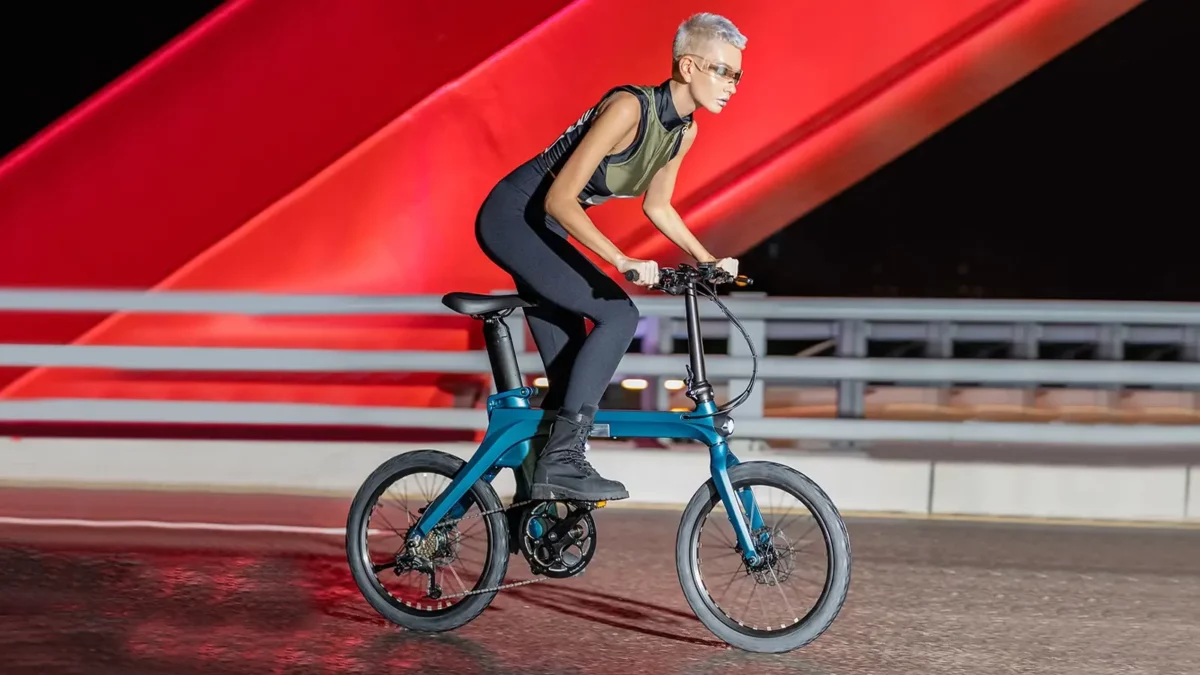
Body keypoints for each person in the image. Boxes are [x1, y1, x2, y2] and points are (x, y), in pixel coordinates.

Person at [474, 13, 747, 503]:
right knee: (619, 314)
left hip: (546, 228)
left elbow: (658, 206)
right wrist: (620, 260)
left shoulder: (683, 132)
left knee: (570, 379)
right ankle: (561, 464)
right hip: (514, 218)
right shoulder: (628, 108)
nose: (732, 85)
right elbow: (559, 199)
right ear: (688, 66)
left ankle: (531, 498)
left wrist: (708, 259)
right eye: (723, 71)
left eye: (737, 76)